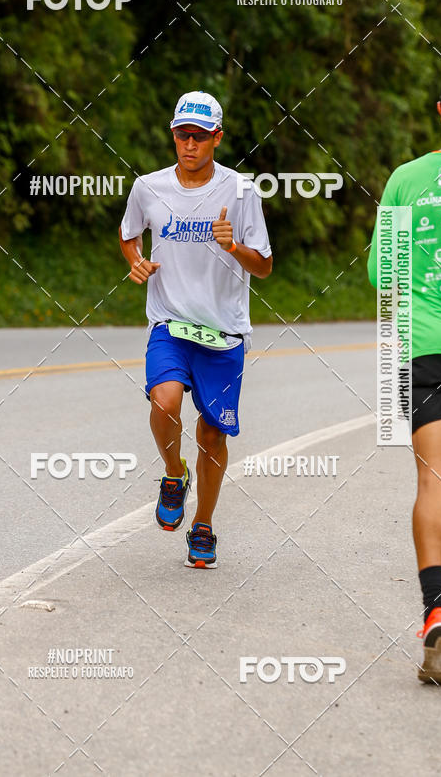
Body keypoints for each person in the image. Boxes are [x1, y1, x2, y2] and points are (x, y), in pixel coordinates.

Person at [118, 91, 272, 568]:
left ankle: (203, 524)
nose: (190, 144)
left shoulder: (242, 192)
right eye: (183, 134)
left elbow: (264, 267)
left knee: (212, 433)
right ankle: (172, 473)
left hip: (223, 332)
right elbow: (129, 234)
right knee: (163, 399)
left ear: (217, 139)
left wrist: (234, 248)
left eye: (200, 137)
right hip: (170, 322)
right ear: (173, 135)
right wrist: (138, 262)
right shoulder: (148, 187)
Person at [368, 61, 441, 684]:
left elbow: (379, 279)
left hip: (427, 347)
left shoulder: (406, 179)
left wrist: (400, 349)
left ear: (440, 112)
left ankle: (435, 611)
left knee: (433, 483)